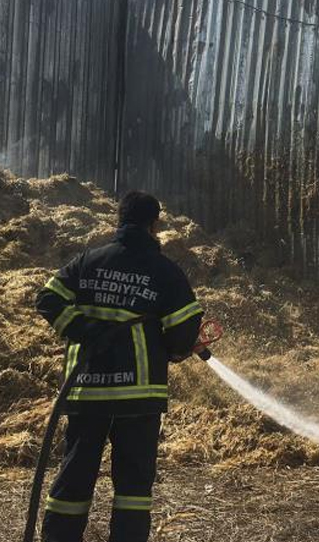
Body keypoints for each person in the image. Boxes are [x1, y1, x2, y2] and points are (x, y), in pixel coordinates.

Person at [34, 191, 205, 542]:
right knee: (133, 487)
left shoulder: (89, 261)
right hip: (138, 397)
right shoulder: (164, 271)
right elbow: (184, 331)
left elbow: (48, 298)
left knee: (75, 476)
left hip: (86, 390)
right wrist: (177, 350)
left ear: (118, 220)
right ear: (154, 225)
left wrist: (85, 329)